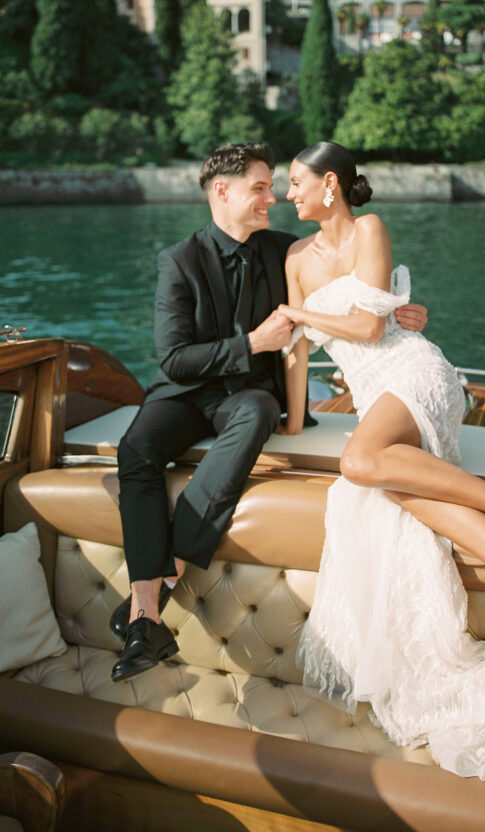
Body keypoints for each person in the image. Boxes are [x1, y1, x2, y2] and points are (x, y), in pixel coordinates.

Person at [277, 141, 485, 785]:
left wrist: (296, 313)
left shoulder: (371, 228)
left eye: (296, 182)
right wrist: (294, 424)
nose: (290, 194)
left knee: (362, 463)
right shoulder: (295, 258)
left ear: (330, 186)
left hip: (416, 373)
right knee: (398, 490)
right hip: (374, 399)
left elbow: (375, 331)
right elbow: (297, 355)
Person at [110, 141, 427, 683]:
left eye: (274, 186)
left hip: (246, 399)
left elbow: (354, 285)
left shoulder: (287, 250)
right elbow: (173, 358)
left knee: (257, 411)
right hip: (183, 393)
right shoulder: (179, 261)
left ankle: (153, 593)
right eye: (260, 188)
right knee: (136, 450)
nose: (273, 198)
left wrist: (399, 313)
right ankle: (148, 612)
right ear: (222, 191)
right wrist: (252, 343)